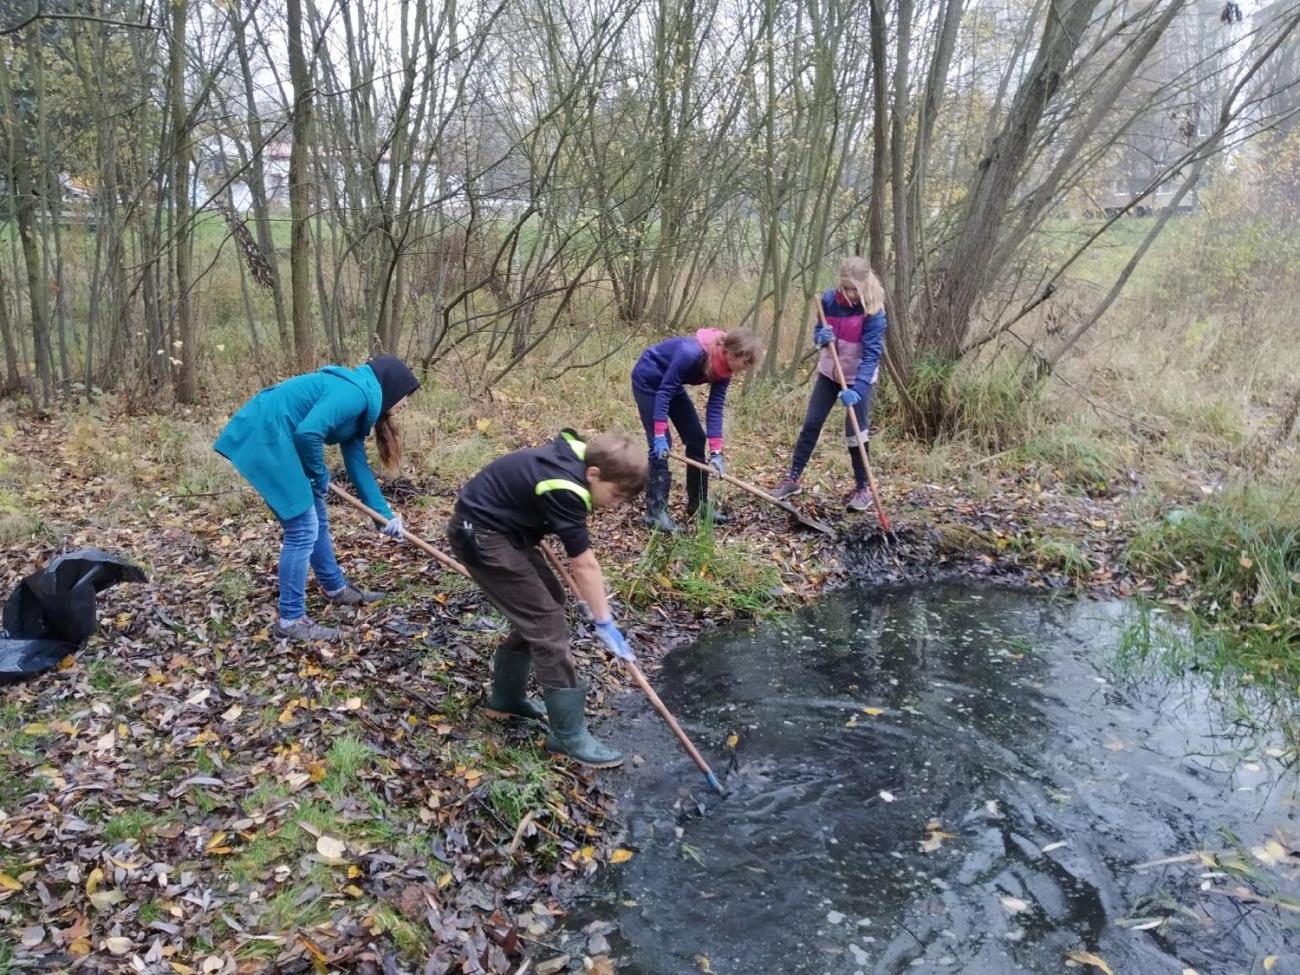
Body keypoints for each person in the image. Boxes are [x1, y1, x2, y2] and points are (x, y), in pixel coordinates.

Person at [447, 429, 647, 768]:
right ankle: (567, 736)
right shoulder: (566, 488)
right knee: (547, 624)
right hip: (481, 535)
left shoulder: (582, 462)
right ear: (594, 474)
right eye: (615, 496)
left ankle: (506, 698)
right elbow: (584, 564)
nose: (615, 506)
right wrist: (604, 622)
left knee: (551, 600)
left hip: (505, 530)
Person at [214, 355, 420, 641]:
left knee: (316, 515)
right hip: (268, 434)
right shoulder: (355, 394)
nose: (405, 403)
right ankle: (290, 620)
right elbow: (309, 433)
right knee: (303, 528)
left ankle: (335, 587)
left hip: (280, 435)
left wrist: (383, 517)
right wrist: (320, 474)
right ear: (392, 388)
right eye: (405, 396)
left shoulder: (362, 403)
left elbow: (357, 465)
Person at [771, 258, 887, 511]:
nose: (850, 294)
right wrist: (820, 339)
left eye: (855, 289)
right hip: (829, 372)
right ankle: (793, 479)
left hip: (859, 378)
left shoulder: (874, 312)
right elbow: (818, 332)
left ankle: (862, 489)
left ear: (865, 285)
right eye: (845, 287)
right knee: (811, 423)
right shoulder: (828, 301)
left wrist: (857, 391)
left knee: (856, 434)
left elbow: (871, 355)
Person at [631, 327, 759, 532]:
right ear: (731, 352)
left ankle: (698, 504)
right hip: (649, 379)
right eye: (744, 362)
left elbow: (715, 407)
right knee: (661, 444)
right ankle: (655, 514)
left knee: (696, 439)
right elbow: (664, 393)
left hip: (670, 384)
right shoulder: (690, 353)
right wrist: (659, 434)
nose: (744, 369)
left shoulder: (725, 370)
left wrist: (717, 452)